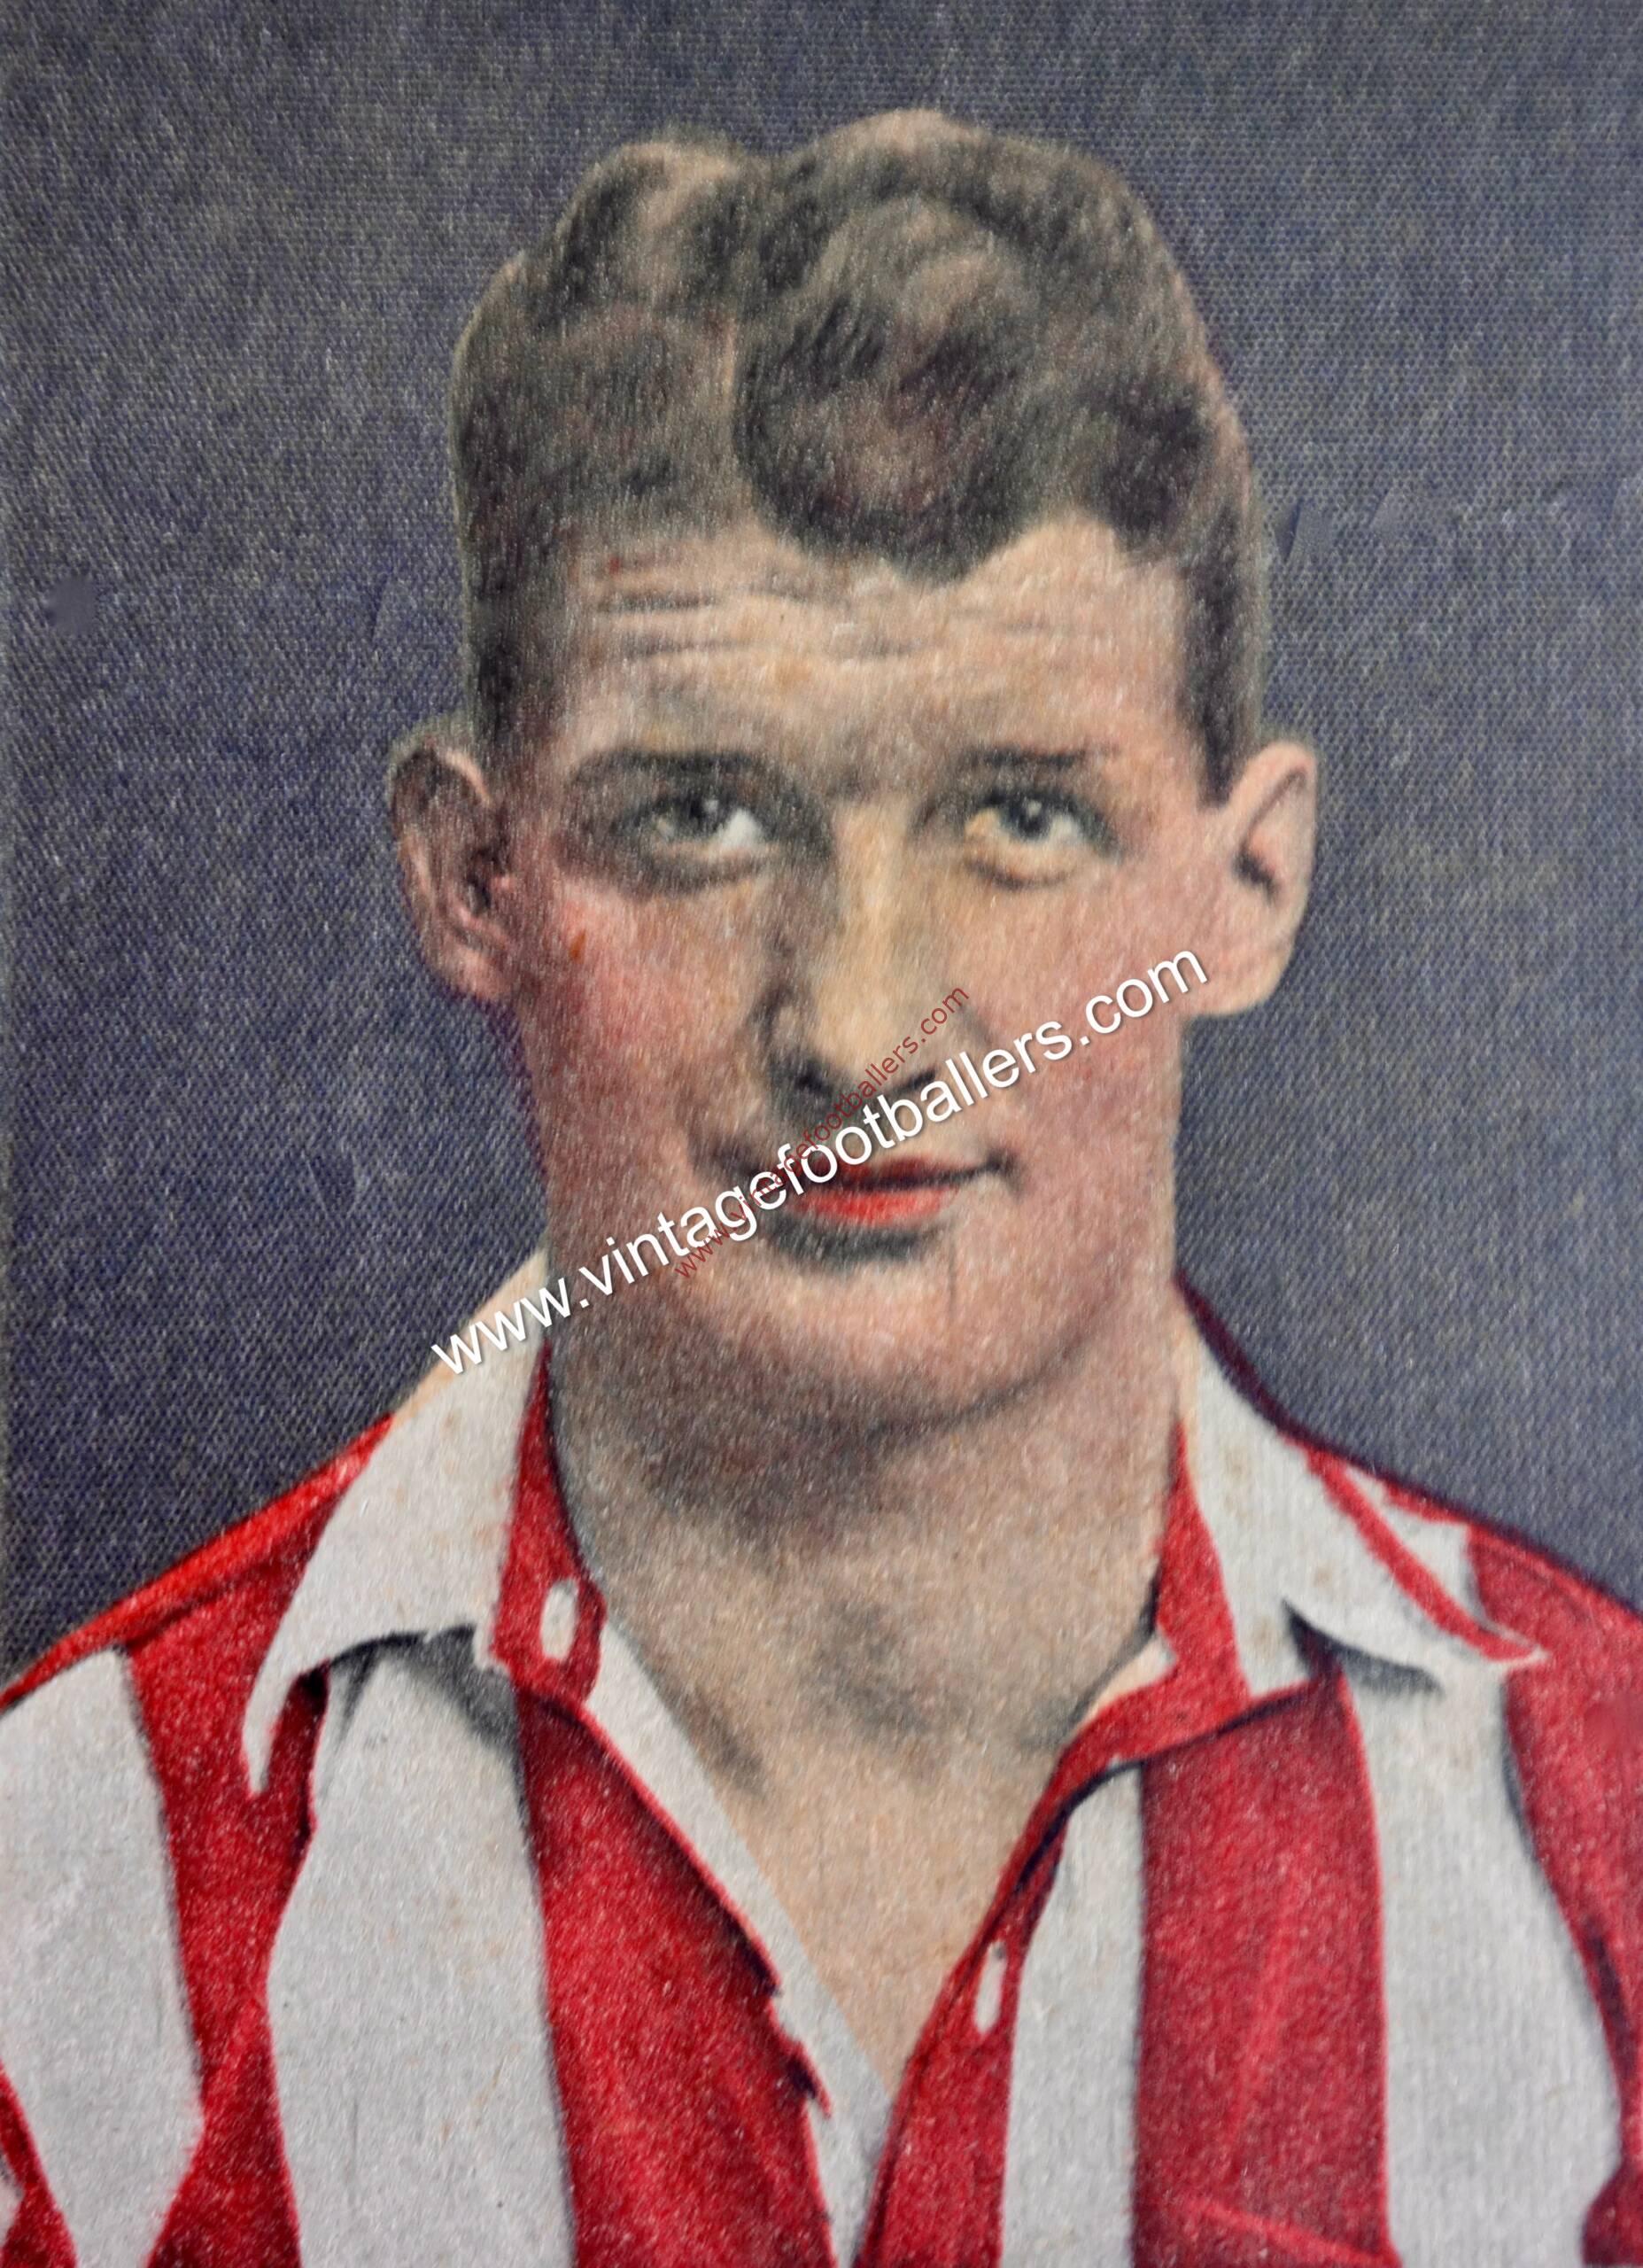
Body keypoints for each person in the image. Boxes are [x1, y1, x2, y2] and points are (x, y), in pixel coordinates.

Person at [2, 111, 1639, 2268]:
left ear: (1243, 888)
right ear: (474, 876)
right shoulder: (58, 1894)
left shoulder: (1606, 1841)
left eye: (1020, 816)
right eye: (700, 815)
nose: (858, 1031)